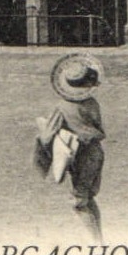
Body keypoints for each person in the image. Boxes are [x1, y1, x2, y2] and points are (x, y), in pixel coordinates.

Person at [36, 53, 106, 242]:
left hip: (80, 154)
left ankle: (95, 243)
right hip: (96, 151)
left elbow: (48, 134)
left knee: (79, 202)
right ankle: (99, 238)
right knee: (89, 197)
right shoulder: (92, 103)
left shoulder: (62, 107)